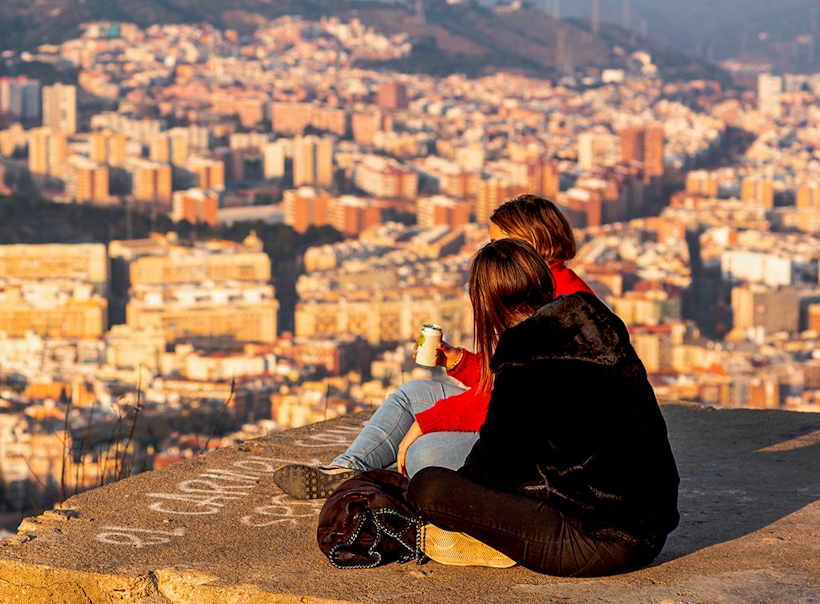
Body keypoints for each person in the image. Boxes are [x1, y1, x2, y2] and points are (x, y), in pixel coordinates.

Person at [318, 239, 679, 576]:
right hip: (650, 525)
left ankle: (495, 544)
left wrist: (438, 491)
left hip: (595, 541)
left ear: (488, 302)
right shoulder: (593, 323)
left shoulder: (524, 358)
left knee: (428, 487)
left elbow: (496, 468)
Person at [274, 194, 595, 500]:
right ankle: (346, 470)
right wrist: (458, 361)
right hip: (523, 422)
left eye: (499, 244)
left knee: (423, 454)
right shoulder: (549, 285)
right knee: (411, 394)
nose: (491, 252)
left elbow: (518, 404)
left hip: (545, 449)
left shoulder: (557, 304)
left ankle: (385, 481)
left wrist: (431, 421)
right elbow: (511, 378)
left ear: (528, 243)